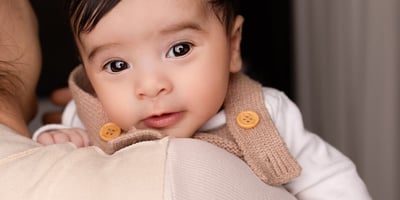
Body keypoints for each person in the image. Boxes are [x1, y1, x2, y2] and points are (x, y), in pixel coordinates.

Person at [32, 0, 372, 199]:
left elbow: (329, 181)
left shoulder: (266, 113)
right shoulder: (85, 118)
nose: (150, 86)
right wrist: (59, 140)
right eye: (116, 65)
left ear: (233, 46)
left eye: (179, 49)